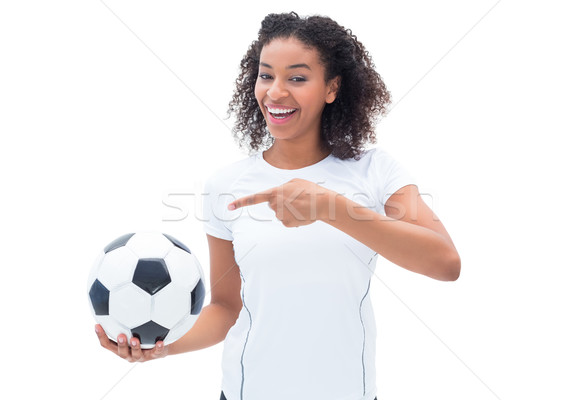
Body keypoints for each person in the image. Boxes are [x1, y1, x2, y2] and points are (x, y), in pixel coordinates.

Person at [95, 11, 461, 400]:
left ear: (332, 87)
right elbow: (225, 307)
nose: (275, 92)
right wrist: (161, 346)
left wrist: (330, 207)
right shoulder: (227, 185)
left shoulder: (374, 171)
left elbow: (445, 263)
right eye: (266, 75)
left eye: (297, 78)